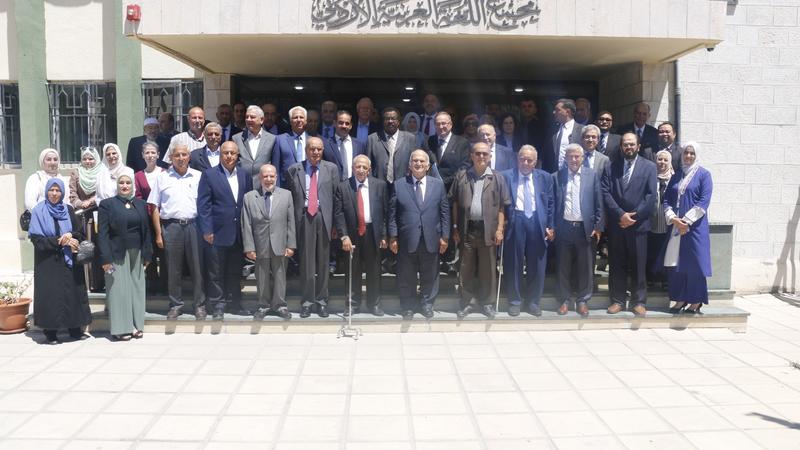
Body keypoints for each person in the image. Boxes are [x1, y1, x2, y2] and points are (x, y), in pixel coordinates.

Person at [449, 142, 510, 319]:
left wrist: (500, 229)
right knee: (466, 268)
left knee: (488, 269)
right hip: (466, 229)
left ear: (490, 156)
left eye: (485, 153)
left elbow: (502, 206)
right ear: (471, 156)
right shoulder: (462, 176)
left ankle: (487, 303)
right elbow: (455, 203)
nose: (481, 156)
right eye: (477, 153)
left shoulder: (497, 178)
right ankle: (467, 302)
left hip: (488, 230)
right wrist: (455, 227)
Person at [28, 178, 91, 344]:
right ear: (46, 191)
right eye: (52, 190)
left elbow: (80, 233)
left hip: (69, 259)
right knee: (51, 295)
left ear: (62, 193)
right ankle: (51, 332)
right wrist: (59, 241)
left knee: (73, 293)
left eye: (58, 191)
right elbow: (37, 240)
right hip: (48, 262)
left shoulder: (68, 210)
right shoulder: (38, 211)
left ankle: (75, 329)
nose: (54, 194)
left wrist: (71, 236)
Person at [389, 150, 450, 320]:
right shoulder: (399, 185)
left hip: (431, 237)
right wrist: (393, 236)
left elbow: (445, 211)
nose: (418, 163)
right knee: (406, 274)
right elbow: (392, 214)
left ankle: (427, 303)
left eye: (422, 161)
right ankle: (408, 305)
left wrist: (445, 236)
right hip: (406, 238)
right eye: (415, 160)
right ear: (409, 165)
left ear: (428, 166)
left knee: (430, 273)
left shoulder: (438, 185)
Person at [148, 144, 207, 320]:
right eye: (177, 155)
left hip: (194, 226)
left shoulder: (198, 176)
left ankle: (199, 305)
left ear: (189, 157)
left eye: (184, 155)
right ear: (171, 158)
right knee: (173, 269)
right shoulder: (162, 177)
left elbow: (205, 204)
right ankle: (175, 305)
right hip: (171, 227)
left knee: (198, 268)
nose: (181, 158)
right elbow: (154, 207)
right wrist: (158, 234)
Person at [284, 137, 340, 318]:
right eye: (312, 149)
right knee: (307, 262)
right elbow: (289, 198)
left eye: (319, 149)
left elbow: (336, 197)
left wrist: (335, 224)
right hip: (304, 217)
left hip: (324, 217)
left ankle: (322, 301)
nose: (316, 152)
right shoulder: (294, 169)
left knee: (323, 262)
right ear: (306, 150)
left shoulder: (331, 169)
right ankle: (307, 302)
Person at [197, 141, 253, 320]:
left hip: (238, 232)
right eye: (225, 153)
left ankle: (235, 303)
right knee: (216, 271)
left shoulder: (244, 175)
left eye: (232, 153)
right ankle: (217, 305)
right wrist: (207, 229)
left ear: (237, 155)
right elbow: (204, 205)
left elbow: (248, 202)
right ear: (220, 155)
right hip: (216, 232)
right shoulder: (209, 175)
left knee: (235, 271)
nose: (229, 156)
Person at [603, 132, 658, 316]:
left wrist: (634, 216)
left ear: (638, 146)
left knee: (638, 265)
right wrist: (621, 215)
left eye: (632, 144)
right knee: (616, 264)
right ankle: (617, 300)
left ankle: (639, 302)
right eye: (625, 144)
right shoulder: (611, 166)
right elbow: (605, 192)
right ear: (621, 147)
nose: (629, 147)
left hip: (638, 225)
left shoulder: (649, 167)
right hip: (617, 224)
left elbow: (651, 195)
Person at [501, 145, 554, 316]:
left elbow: (551, 203)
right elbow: (500, 202)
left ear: (535, 162)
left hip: (537, 221)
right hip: (515, 220)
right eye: (522, 159)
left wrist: (550, 226)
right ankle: (515, 301)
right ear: (517, 159)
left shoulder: (545, 177)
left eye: (529, 160)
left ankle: (533, 302)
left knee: (537, 263)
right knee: (513, 262)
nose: (525, 163)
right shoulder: (506, 176)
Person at [98, 174, 152, 341]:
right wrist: (105, 259)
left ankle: (136, 325)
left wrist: (148, 253)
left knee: (137, 288)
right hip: (117, 253)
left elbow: (146, 231)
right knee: (119, 290)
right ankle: (122, 328)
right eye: (121, 182)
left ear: (132, 185)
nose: (125, 185)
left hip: (137, 252)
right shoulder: (107, 204)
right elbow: (103, 234)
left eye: (128, 182)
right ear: (117, 185)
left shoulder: (141, 204)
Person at [660, 142, 713, 314]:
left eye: (692, 153)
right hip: (676, 227)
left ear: (697, 155)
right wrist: (674, 219)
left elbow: (703, 202)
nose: (688, 156)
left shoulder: (704, 175)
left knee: (695, 264)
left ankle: (696, 301)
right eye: (686, 153)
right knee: (675, 264)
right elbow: (666, 200)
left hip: (695, 228)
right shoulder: (677, 175)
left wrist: (686, 222)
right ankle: (680, 298)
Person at [552, 144, 603, 317]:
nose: (574, 160)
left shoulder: (592, 175)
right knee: (563, 266)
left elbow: (598, 202)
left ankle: (582, 300)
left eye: (577, 156)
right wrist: (552, 226)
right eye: (570, 156)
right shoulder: (557, 176)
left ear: (582, 158)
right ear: (565, 158)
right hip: (564, 227)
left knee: (586, 267)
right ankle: (564, 300)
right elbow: (553, 204)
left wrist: (598, 226)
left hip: (585, 229)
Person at [336, 155, 389, 316]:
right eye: (358, 166)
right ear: (353, 168)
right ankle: (352, 305)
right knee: (353, 270)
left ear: (369, 170)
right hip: (352, 235)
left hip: (373, 233)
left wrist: (384, 235)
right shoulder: (343, 187)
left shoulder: (380, 186)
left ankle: (374, 304)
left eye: (364, 167)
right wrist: (344, 236)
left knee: (374, 270)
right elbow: (338, 214)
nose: (361, 170)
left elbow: (385, 212)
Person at [243, 164, 296, 320]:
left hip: (280, 243)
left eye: (271, 176)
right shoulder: (250, 197)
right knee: (262, 277)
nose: (268, 179)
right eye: (265, 176)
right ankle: (263, 306)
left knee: (280, 276)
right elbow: (246, 224)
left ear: (276, 177)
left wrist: (291, 245)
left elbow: (291, 221)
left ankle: (280, 305)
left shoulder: (286, 195)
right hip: (260, 244)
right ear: (260, 178)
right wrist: (249, 247)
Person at [68, 146, 104, 292]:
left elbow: (104, 191)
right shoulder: (76, 172)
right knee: (84, 248)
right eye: (85, 159)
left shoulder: (102, 171)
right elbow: (72, 194)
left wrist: (92, 200)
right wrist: (80, 203)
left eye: (91, 158)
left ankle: (99, 283)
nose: (88, 161)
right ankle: (87, 284)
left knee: (99, 247)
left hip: (99, 214)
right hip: (81, 215)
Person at [134, 143, 166, 294]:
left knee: (165, 252)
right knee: (150, 251)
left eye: (153, 152)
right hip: (146, 220)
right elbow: (138, 198)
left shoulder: (166, 173)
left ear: (158, 155)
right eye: (147, 152)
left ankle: (165, 284)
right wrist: (149, 211)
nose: (150, 155)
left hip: (164, 219)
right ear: (143, 155)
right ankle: (153, 283)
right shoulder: (138, 176)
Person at [366, 107, 417, 183]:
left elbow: (415, 162)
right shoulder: (372, 139)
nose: (390, 121)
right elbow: (367, 164)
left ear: (398, 121)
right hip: (378, 184)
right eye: (387, 119)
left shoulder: (410, 138)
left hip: (403, 183)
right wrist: (371, 183)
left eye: (393, 118)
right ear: (383, 122)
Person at [648, 149, 675, 286]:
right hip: (652, 222)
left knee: (666, 252)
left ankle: (665, 280)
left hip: (668, 223)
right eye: (659, 159)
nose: (662, 162)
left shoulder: (675, 179)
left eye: (665, 160)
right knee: (652, 252)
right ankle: (652, 279)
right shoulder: (649, 176)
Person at [425, 111, 470, 191]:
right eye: (438, 124)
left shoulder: (462, 142)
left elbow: (464, 167)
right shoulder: (430, 141)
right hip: (432, 188)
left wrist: (445, 181)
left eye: (443, 123)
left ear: (450, 124)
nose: (441, 126)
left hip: (453, 188)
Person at [234, 105, 277, 186]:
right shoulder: (236, 138)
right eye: (247, 117)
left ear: (261, 120)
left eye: (252, 117)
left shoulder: (272, 139)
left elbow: (275, 164)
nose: (248, 119)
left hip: (263, 185)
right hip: (242, 185)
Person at [272, 106, 311, 187]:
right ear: (290, 121)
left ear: (306, 120)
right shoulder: (280, 140)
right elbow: (276, 167)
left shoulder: (312, 140)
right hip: (287, 186)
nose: (299, 120)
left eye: (301, 117)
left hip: (308, 184)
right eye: (295, 117)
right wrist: (277, 189)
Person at [323, 110, 366, 181]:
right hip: (333, 185)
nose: (344, 126)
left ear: (351, 126)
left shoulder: (359, 145)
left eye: (347, 123)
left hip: (353, 185)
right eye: (341, 123)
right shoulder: (326, 144)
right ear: (334, 123)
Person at [547, 98, 584, 173]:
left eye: (558, 110)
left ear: (567, 112)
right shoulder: (553, 130)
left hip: (575, 174)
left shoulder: (582, 130)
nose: (554, 112)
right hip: (555, 174)